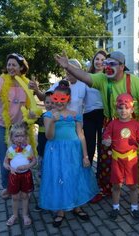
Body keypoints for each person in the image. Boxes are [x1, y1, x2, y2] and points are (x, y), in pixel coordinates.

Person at [54, 50, 139, 211]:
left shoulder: (135, 82)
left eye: (111, 64)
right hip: (112, 124)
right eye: (106, 64)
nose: (107, 67)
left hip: (135, 125)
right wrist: (68, 66)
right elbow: (84, 76)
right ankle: (105, 189)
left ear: (122, 66)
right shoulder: (102, 79)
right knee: (106, 160)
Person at [38, 80, 98, 228]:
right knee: (59, 177)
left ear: (68, 99)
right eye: (56, 99)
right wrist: (52, 121)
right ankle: (60, 210)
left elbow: (81, 135)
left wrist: (85, 156)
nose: (59, 102)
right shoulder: (47, 115)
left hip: (74, 151)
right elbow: (49, 137)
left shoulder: (75, 114)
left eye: (62, 99)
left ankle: (77, 205)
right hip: (56, 151)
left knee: (74, 175)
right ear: (53, 99)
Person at [0, 53, 36, 200]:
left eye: (14, 64)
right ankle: (8, 186)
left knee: (23, 155)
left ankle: (23, 184)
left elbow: (32, 104)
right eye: (9, 64)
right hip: (1, 126)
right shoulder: (0, 81)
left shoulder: (26, 83)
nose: (10, 67)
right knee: (6, 157)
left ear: (21, 67)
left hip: (20, 127)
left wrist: (36, 90)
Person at [102, 93, 139, 220]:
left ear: (132, 109)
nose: (123, 111)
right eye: (120, 108)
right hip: (117, 159)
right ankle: (115, 207)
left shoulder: (136, 124)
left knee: (133, 186)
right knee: (116, 186)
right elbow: (106, 136)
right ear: (116, 109)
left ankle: (134, 208)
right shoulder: (112, 124)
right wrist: (106, 141)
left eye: (126, 108)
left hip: (131, 160)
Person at [84, 50, 107, 203]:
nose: (99, 62)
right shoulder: (86, 78)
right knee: (89, 149)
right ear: (93, 61)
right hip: (89, 116)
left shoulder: (108, 78)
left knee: (103, 149)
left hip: (104, 116)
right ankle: (86, 182)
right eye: (96, 59)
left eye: (102, 59)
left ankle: (101, 184)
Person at [3, 122, 37, 226]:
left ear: (26, 137)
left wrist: (27, 166)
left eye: (22, 136)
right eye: (16, 136)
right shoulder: (11, 150)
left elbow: (34, 161)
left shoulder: (27, 149)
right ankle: (14, 215)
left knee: (25, 196)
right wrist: (9, 168)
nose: (19, 138)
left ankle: (25, 215)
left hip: (26, 175)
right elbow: (5, 162)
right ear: (12, 138)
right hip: (14, 177)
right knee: (15, 197)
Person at [32, 91, 54, 211]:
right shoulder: (41, 117)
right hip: (42, 153)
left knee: (53, 177)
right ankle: (43, 199)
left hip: (54, 154)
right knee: (43, 177)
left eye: (52, 102)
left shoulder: (58, 117)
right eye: (47, 102)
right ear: (43, 103)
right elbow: (29, 120)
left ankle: (53, 198)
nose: (50, 104)